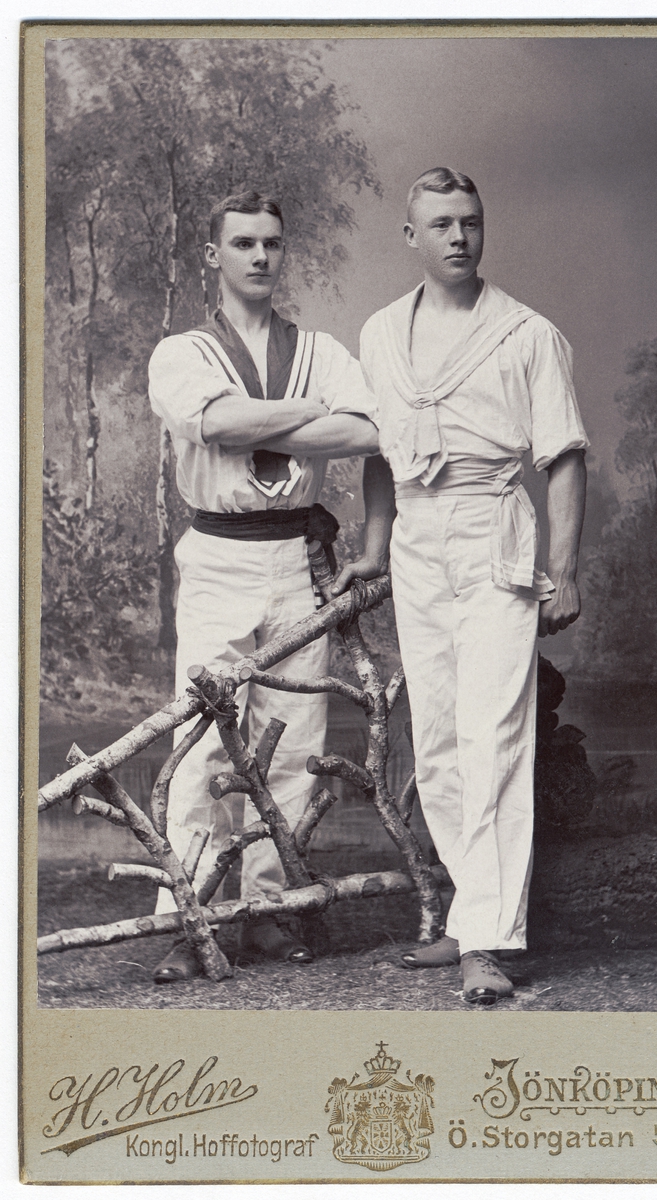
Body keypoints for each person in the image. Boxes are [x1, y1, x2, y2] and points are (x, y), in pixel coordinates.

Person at [334, 168, 588, 1007]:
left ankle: (488, 938)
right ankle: (465, 909)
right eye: (441, 224)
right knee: (437, 737)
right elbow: (379, 451)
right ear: (411, 236)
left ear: (484, 229)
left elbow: (564, 457)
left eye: (470, 222)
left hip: (492, 532)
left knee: (494, 736)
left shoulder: (526, 333)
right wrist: (375, 547)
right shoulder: (381, 332)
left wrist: (566, 570)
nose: (458, 237)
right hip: (416, 539)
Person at [148, 190, 379, 982]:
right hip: (219, 554)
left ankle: (273, 911)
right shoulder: (181, 352)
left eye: (271, 243)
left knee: (296, 740)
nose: (259, 256)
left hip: (295, 559)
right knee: (203, 741)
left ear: (284, 252)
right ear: (213, 255)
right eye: (243, 243)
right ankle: (192, 917)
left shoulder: (319, 348)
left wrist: (261, 418)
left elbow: (367, 429)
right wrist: (309, 414)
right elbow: (210, 424)